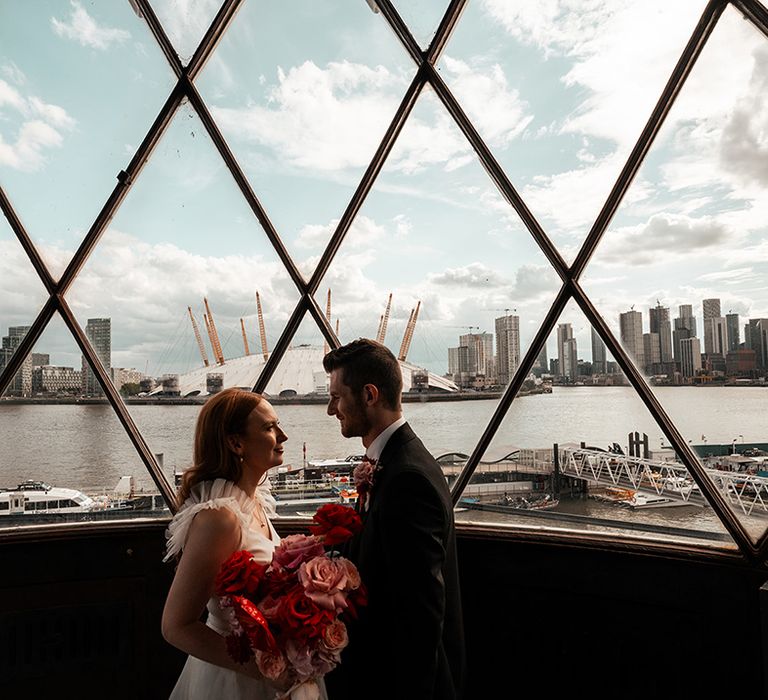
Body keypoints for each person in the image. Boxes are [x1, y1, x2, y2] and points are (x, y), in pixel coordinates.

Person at [161, 387, 328, 700]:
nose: (284, 435)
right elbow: (176, 626)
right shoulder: (219, 519)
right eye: (269, 427)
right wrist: (263, 669)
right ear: (236, 442)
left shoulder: (255, 502)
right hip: (235, 682)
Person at [322, 338, 465, 700]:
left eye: (337, 397)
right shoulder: (396, 463)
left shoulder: (407, 479)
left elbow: (420, 614)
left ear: (369, 395)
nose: (330, 409)